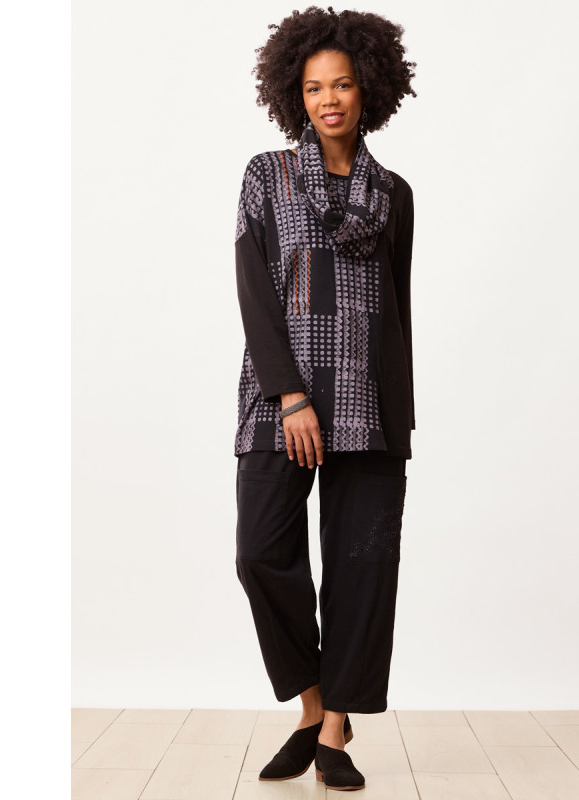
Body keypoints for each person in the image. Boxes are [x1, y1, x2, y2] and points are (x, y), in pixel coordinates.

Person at [232, 5, 417, 791]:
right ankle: (311, 707)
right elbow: (254, 291)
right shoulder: (265, 176)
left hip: (370, 405)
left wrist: (400, 419)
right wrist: (289, 393)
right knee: (260, 553)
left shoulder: (394, 193)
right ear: (294, 94)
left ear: (368, 88)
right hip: (284, 402)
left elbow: (398, 308)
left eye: (342, 84)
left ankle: (336, 727)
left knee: (362, 568)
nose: (328, 99)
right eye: (314, 87)